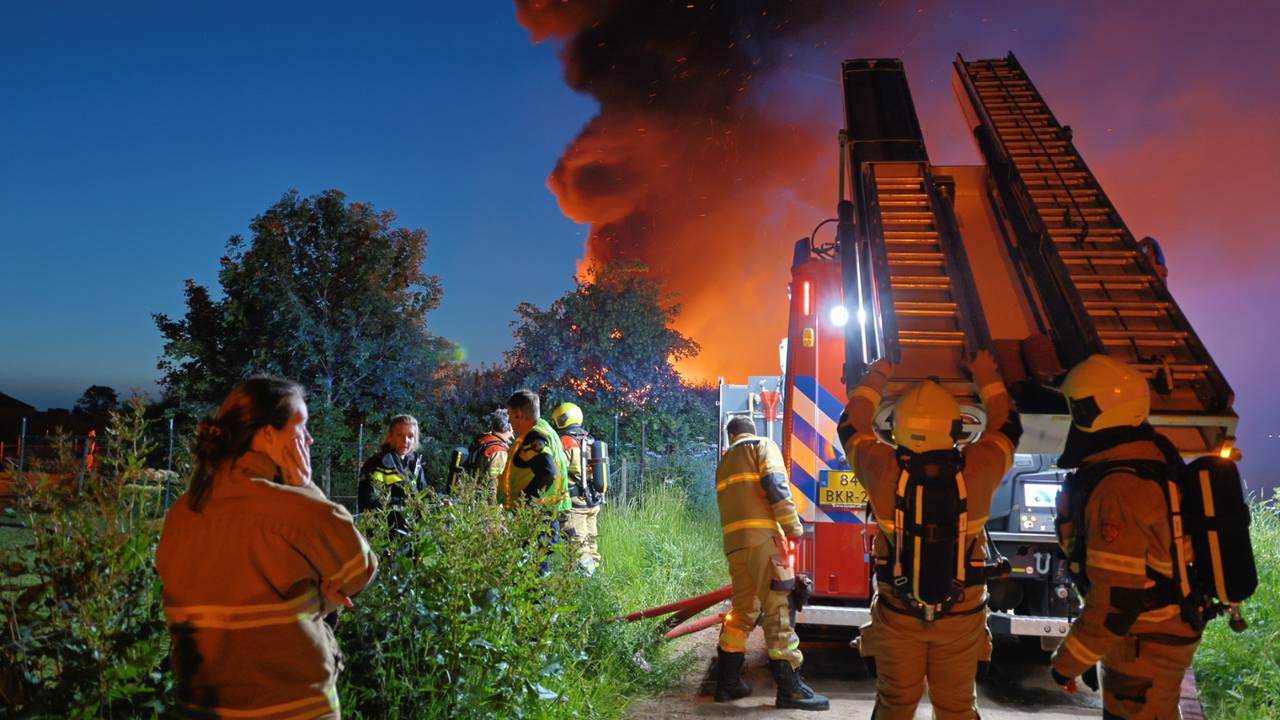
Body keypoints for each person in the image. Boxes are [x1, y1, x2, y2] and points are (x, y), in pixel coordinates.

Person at [156, 377, 377, 720]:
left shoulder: (183, 512)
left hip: (199, 706)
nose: (310, 439)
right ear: (266, 435)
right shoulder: (295, 510)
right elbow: (362, 569)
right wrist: (305, 486)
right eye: (301, 427)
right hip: (291, 708)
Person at [838, 351, 1020, 720]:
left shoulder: (880, 465)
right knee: (956, 710)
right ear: (955, 428)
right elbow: (1009, 426)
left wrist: (878, 373)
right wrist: (985, 372)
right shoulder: (981, 466)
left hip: (897, 613)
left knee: (894, 707)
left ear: (897, 427)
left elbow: (849, 425)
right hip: (962, 616)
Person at [1050, 354, 1199, 719]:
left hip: (1144, 643)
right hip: (1150, 637)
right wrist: (1093, 650)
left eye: (1075, 411)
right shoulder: (1150, 460)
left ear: (1091, 414)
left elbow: (1116, 605)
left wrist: (1065, 663)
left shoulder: (1119, 488)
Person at [714, 415, 829, 711]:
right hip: (764, 543)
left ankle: (727, 683)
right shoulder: (761, 445)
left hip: (735, 547)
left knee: (742, 612)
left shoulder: (724, 462)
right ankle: (790, 689)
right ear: (751, 431)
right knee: (779, 608)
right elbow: (776, 485)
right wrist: (793, 528)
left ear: (731, 437)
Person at [499, 389, 571, 574]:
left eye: (509, 416)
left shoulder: (534, 437)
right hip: (545, 513)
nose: (509, 421)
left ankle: (538, 602)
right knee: (538, 569)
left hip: (536, 516)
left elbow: (548, 472)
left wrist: (525, 500)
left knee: (532, 572)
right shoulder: (548, 431)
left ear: (519, 414)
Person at [551, 402, 603, 574]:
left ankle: (584, 582)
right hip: (593, 502)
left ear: (561, 419)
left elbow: (556, 472)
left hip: (575, 505)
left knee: (578, 544)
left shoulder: (565, 442)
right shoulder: (590, 440)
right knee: (591, 543)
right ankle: (593, 576)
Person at [358, 415, 429, 529]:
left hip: (413, 532)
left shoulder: (415, 464)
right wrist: (403, 502)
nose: (405, 440)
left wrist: (440, 500)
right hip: (384, 535)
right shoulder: (376, 463)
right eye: (400, 435)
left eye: (410, 436)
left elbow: (424, 494)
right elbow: (367, 503)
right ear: (390, 437)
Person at [466, 408, 513, 501]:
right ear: (510, 428)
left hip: (470, 495)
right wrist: (492, 511)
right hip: (483, 503)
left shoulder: (482, 440)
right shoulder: (499, 451)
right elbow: (493, 484)